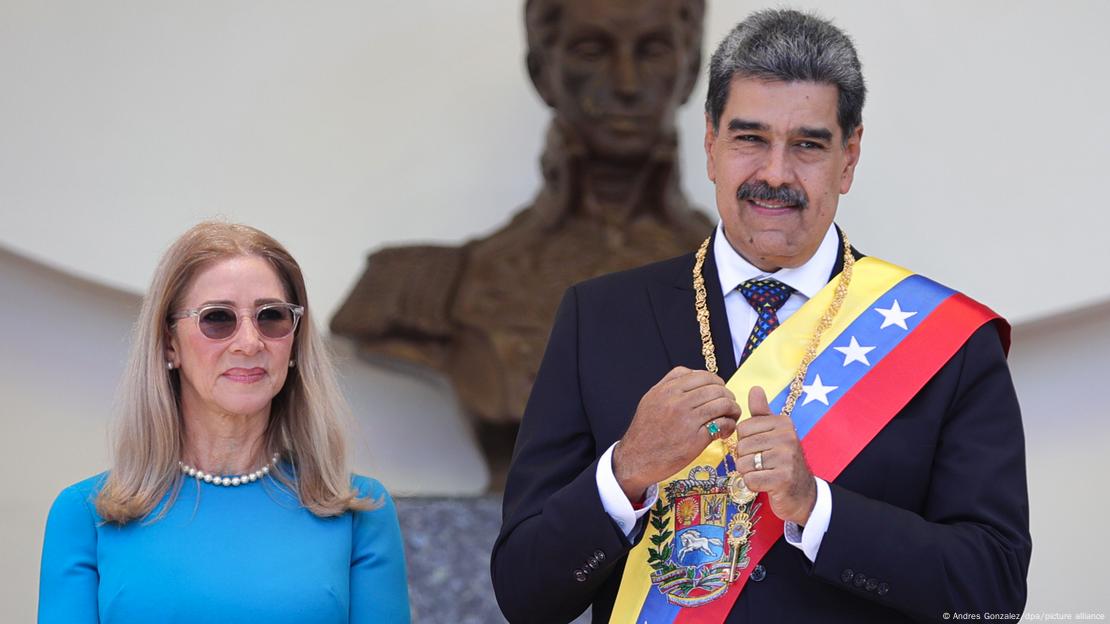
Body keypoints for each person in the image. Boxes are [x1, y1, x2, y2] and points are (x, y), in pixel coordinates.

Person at [492, 9, 1030, 624]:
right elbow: (524, 593)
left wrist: (815, 507)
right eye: (750, 138)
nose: (775, 174)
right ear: (711, 146)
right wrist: (626, 472)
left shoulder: (947, 339)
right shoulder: (599, 317)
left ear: (849, 158)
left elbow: (994, 594)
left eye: (808, 144)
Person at [330, 0, 712, 475]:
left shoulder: (757, 285)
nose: (626, 83)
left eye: (652, 50)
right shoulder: (423, 288)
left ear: (691, 69)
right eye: (592, 50)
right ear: (541, 72)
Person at [38, 222, 410, 623]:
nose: (250, 342)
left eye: (271, 317)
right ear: (169, 343)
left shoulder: (361, 510)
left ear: (294, 343)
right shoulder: (84, 515)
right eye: (217, 319)